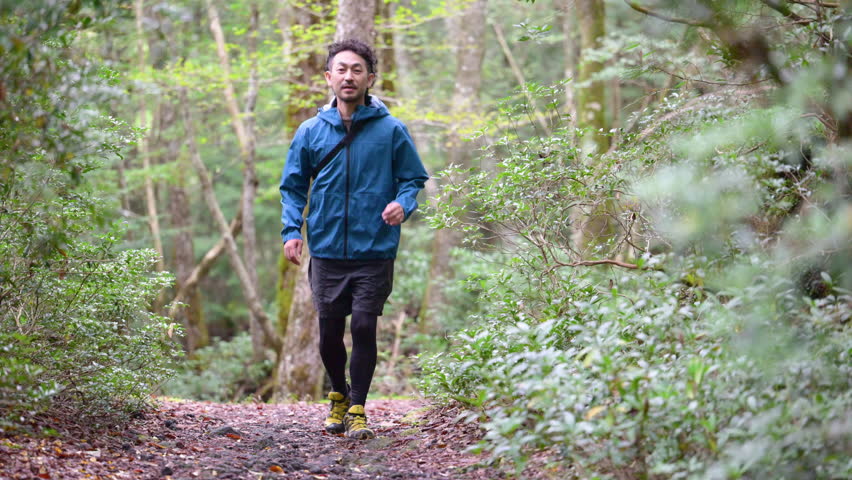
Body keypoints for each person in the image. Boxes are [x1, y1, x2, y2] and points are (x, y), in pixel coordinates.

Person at [279, 39, 428, 440]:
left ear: (370, 78)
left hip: (374, 247)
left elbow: (413, 178)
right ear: (328, 77)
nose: (349, 76)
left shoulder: (391, 130)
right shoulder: (310, 131)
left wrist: (403, 203)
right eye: (341, 69)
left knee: (363, 326)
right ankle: (338, 395)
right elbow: (293, 187)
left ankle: (358, 406)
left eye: (357, 69)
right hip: (326, 247)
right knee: (329, 333)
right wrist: (292, 231)